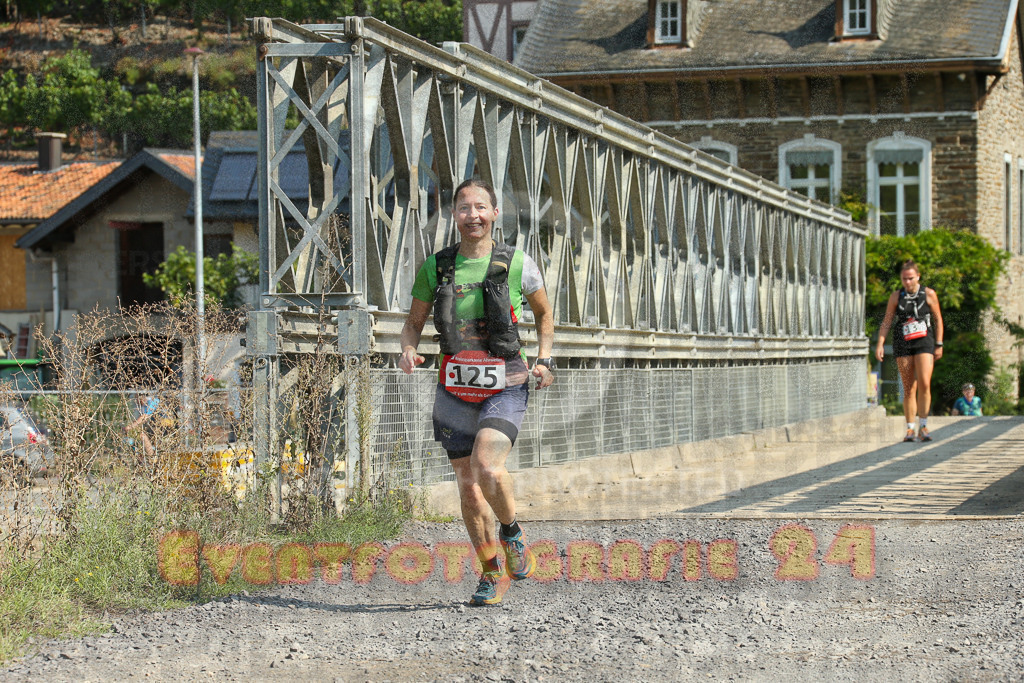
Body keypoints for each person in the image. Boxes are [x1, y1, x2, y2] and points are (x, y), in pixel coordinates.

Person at [399, 179, 554, 606]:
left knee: (488, 466)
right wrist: (409, 350)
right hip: (453, 387)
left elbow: (544, 315)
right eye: (464, 208)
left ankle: (511, 531)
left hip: (506, 381)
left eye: (481, 207)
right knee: (468, 487)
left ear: (494, 213)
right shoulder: (437, 266)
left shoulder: (518, 263)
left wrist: (545, 359)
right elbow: (413, 322)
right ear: (454, 216)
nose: (473, 216)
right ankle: (490, 573)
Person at [875, 260, 944, 442]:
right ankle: (910, 428)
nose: (907, 282)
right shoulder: (896, 297)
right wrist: (880, 343)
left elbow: (938, 319)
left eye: (911, 278)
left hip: (924, 342)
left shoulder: (929, 294)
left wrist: (939, 343)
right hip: (903, 342)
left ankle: (924, 425)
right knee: (908, 387)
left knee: (924, 383)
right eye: (904, 279)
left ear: (918, 277)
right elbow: (887, 321)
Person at [125, 391, 160, 456]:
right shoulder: (143, 405)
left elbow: (144, 417)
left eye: (136, 399)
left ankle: (152, 457)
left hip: (164, 424)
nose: (136, 401)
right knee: (139, 435)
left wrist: (130, 427)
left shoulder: (152, 401)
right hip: (154, 425)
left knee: (142, 436)